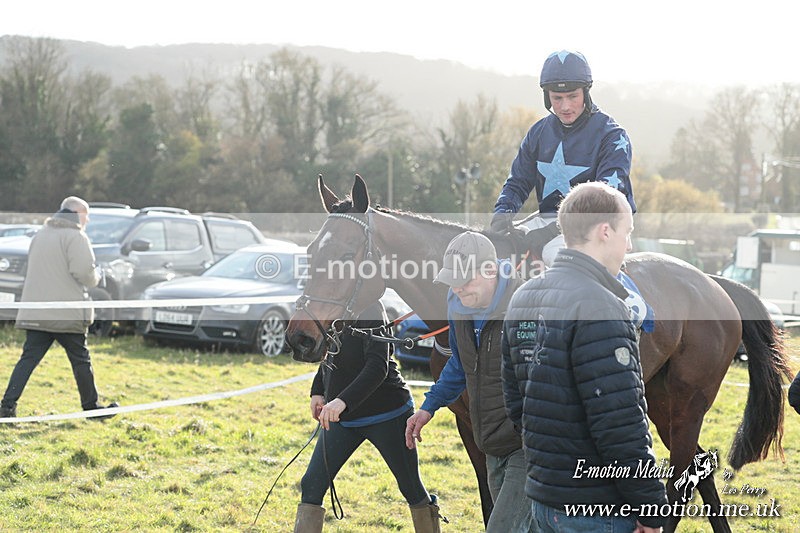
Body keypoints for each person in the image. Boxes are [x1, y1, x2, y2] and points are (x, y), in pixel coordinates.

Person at [502, 182, 667, 532]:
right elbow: (620, 423)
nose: (630, 244)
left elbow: (517, 404)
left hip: (544, 498)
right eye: (627, 232)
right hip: (595, 508)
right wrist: (651, 508)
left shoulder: (522, 297)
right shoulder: (604, 307)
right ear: (605, 231)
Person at [405, 231, 532, 532]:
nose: (459, 289)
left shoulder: (526, 305)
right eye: (453, 281)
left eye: (466, 280)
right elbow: (461, 364)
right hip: (491, 443)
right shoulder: (457, 303)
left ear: (490, 270)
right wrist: (429, 407)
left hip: (528, 446)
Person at [294, 301, 442, 533]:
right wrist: (318, 390)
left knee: (411, 488)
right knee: (311, 485)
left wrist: (342, 401)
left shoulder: (371, 310)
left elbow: (377, 366)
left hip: (388, 415)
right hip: (342, 419)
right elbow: (330, 353)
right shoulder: (333, 307)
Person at [490, 50, 635, 266]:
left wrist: (549, 231)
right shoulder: (538, 132)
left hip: (600, 225)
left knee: (558, 261)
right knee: (495, 254)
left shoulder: (612, 136)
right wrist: (501, 217)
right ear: (547, 96)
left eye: (572, 96)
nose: (565, 106)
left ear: (586, 93)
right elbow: (518, 183)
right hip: (548, 220)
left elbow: (601, 203)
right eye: (557, 98)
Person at [0, 196, 117, 420]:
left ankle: (7, 406)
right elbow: (85, 274)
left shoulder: (40, 234)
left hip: (37, 311)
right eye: (85, 214)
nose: (88, 219)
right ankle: (91, 408)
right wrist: (98, 275)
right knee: (81, 360)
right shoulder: (76, 237)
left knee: (27, 360)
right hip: (66, 313)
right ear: (73, 213)